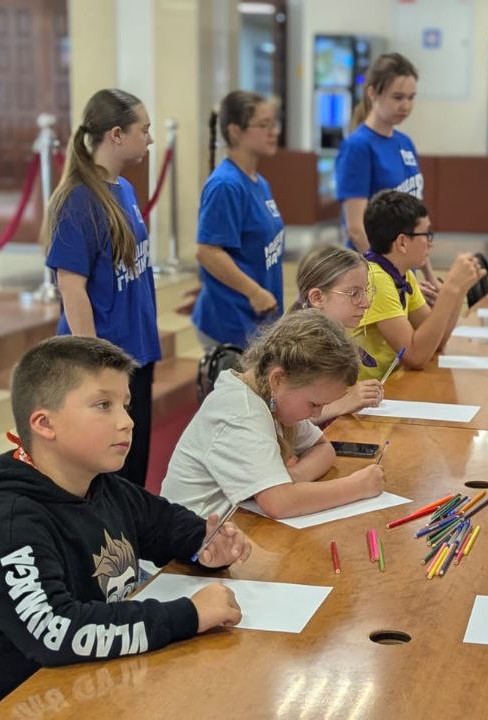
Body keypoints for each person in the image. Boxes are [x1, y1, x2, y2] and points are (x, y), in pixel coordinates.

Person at [0, 336, 250, 719]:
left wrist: (203, 543)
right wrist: (187, 615)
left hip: (92, 678)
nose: (127, 421)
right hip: (12, 701)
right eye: (104, 405)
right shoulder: (8, 523)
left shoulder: (100, 484)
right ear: (44, 423)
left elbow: (164, 523)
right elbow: (55, 630)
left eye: (125, 405)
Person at [160, 311, 385, 520]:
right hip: (182, 557)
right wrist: (358, 486)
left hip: (232, 533)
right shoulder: (240, 411)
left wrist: (293, 476)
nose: (317, 413)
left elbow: (323, 448)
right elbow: (278, 503)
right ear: (277, 379)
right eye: (314, 404)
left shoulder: (273, 398)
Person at [45, 88, 159, 488]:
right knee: (109, 478)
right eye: (143, 130)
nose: (150, 138)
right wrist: (94, 366)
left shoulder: (122, 189)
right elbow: (71, 287)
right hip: (105, 361)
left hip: (136, 353)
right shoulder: (79, 200)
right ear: (116, 135)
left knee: (134, 472)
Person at [335, 52, 441, 304]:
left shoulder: (405, 143)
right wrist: (387, 278)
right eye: (397, 97)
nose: (405, 105)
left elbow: (416, 225)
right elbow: (356, 228)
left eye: (411, 97)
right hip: (373, 276)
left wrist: (430, 275)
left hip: (404, 274)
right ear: (373, 93)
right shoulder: (358, 147)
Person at [351, 190, 485, 381]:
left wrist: (458, 291)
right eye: (427, 234)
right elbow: (415, 356)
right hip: (357, 403)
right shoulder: (375, 278)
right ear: (403, 242)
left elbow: (436, 342)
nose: (430, 244)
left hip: (385, 390)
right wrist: (450, 289)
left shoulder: (401, 274)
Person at [192, 90, 286, 351]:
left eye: (273, 124)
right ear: (235, 131)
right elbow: (207, 251)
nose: (273, 132)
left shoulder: (259, 181)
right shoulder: (226, 185)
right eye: (263, 125)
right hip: (232, 326)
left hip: (259, 324)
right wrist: (254, 292)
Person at [291, 244, 384, 424]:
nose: (366, 303)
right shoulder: (298, 348)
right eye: (353, 293)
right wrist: (345, 402)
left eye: (365, 291)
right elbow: (285, 423)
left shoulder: (334, 339)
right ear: (317, 298)